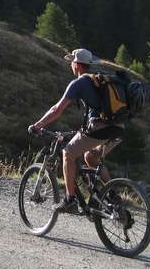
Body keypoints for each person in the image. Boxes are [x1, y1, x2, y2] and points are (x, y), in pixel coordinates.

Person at [28, 47, 125, 213]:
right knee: (90, 157)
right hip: (118, 128)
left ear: (78, 65)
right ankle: (112, 196)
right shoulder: (101, 79)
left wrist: (38, 125)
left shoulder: (79, 83)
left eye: (72, 61)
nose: (71, 64)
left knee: (67, 153)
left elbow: (57, 110)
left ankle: (69, 200)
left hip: (99, 128)